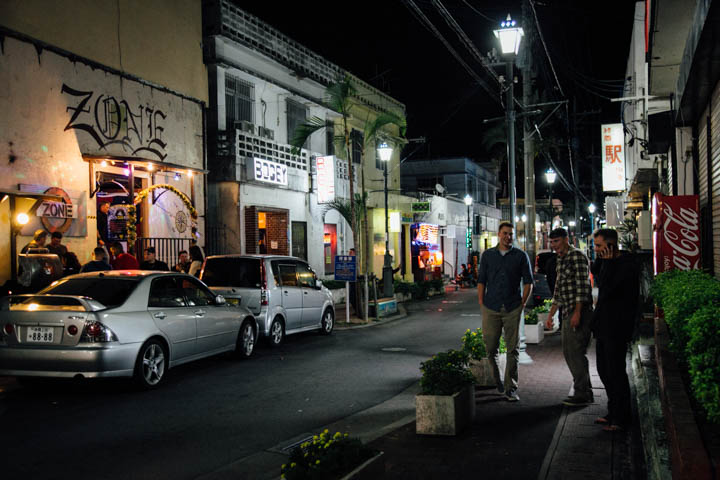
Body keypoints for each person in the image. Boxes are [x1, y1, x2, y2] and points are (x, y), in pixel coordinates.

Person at [477, 221, 534, 402]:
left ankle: (510, 388)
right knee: (490, 348)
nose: (508, 237)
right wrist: (481, 303)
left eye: (511, 234)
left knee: (513, 349)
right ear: (499, 234)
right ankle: (498, 380)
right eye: (505, 233)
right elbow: (481, 281)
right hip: (491, 307)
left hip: (512, 307)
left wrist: (522, 303)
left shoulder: (520, 256)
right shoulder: (488, 255)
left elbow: (528, 282)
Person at [591, 228, 640, 432]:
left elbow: (608, 288)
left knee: (616, 372)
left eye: (599, 246)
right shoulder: (606, 262)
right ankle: (613, 411)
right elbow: (596, 275)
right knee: (604, 370)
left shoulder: (626, 265)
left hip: (617, 327)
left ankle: (621, 418)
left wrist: (608, 263)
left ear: (611, 246)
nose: (596, 249)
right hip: (603, 325)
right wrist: (604, 261)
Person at [546, 227, 594, 407]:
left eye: (556, 241)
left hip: (578, 312)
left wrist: (578, 313)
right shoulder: (560, 259)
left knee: (575, 353)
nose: (554, 245)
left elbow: (583, 288)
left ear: (566, 239)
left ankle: (582, 393)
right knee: (570, 352)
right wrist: (551, 314)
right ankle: (584, 390)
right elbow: (559, 289)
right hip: (566, 311)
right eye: (552, 242)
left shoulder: (577, 256)